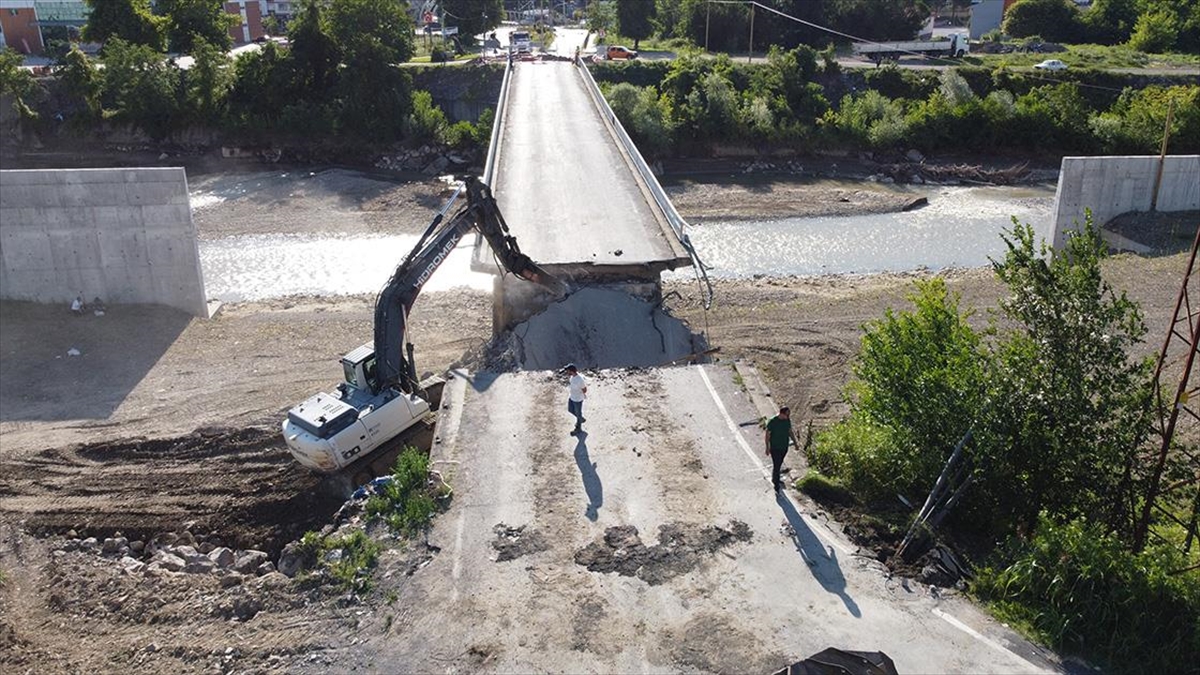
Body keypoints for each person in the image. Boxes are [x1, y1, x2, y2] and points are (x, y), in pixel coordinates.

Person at [764, 406, 799, 492]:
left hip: (784, 447)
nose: (787, 417)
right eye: (786, 415)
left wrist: (795, 442)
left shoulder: (787, 421)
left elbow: (790, 431)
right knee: (777, 465)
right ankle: (776, 485)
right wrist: (767, 447)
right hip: (775, 447)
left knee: (778, 464)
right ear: (781, 413)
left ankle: (775, 478)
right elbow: (767, 435)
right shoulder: (773, 421)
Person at [565, 363, 587, 436]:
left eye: (568, 371)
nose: (567, 372)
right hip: (572, 397)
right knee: (570, 410)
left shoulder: (580, 380)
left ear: (572, 371)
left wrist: (579, 393)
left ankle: (578, 428)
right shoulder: (572, 377)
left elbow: (584, 389)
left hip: (577, 399)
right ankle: (580, 419)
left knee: (578, 413)